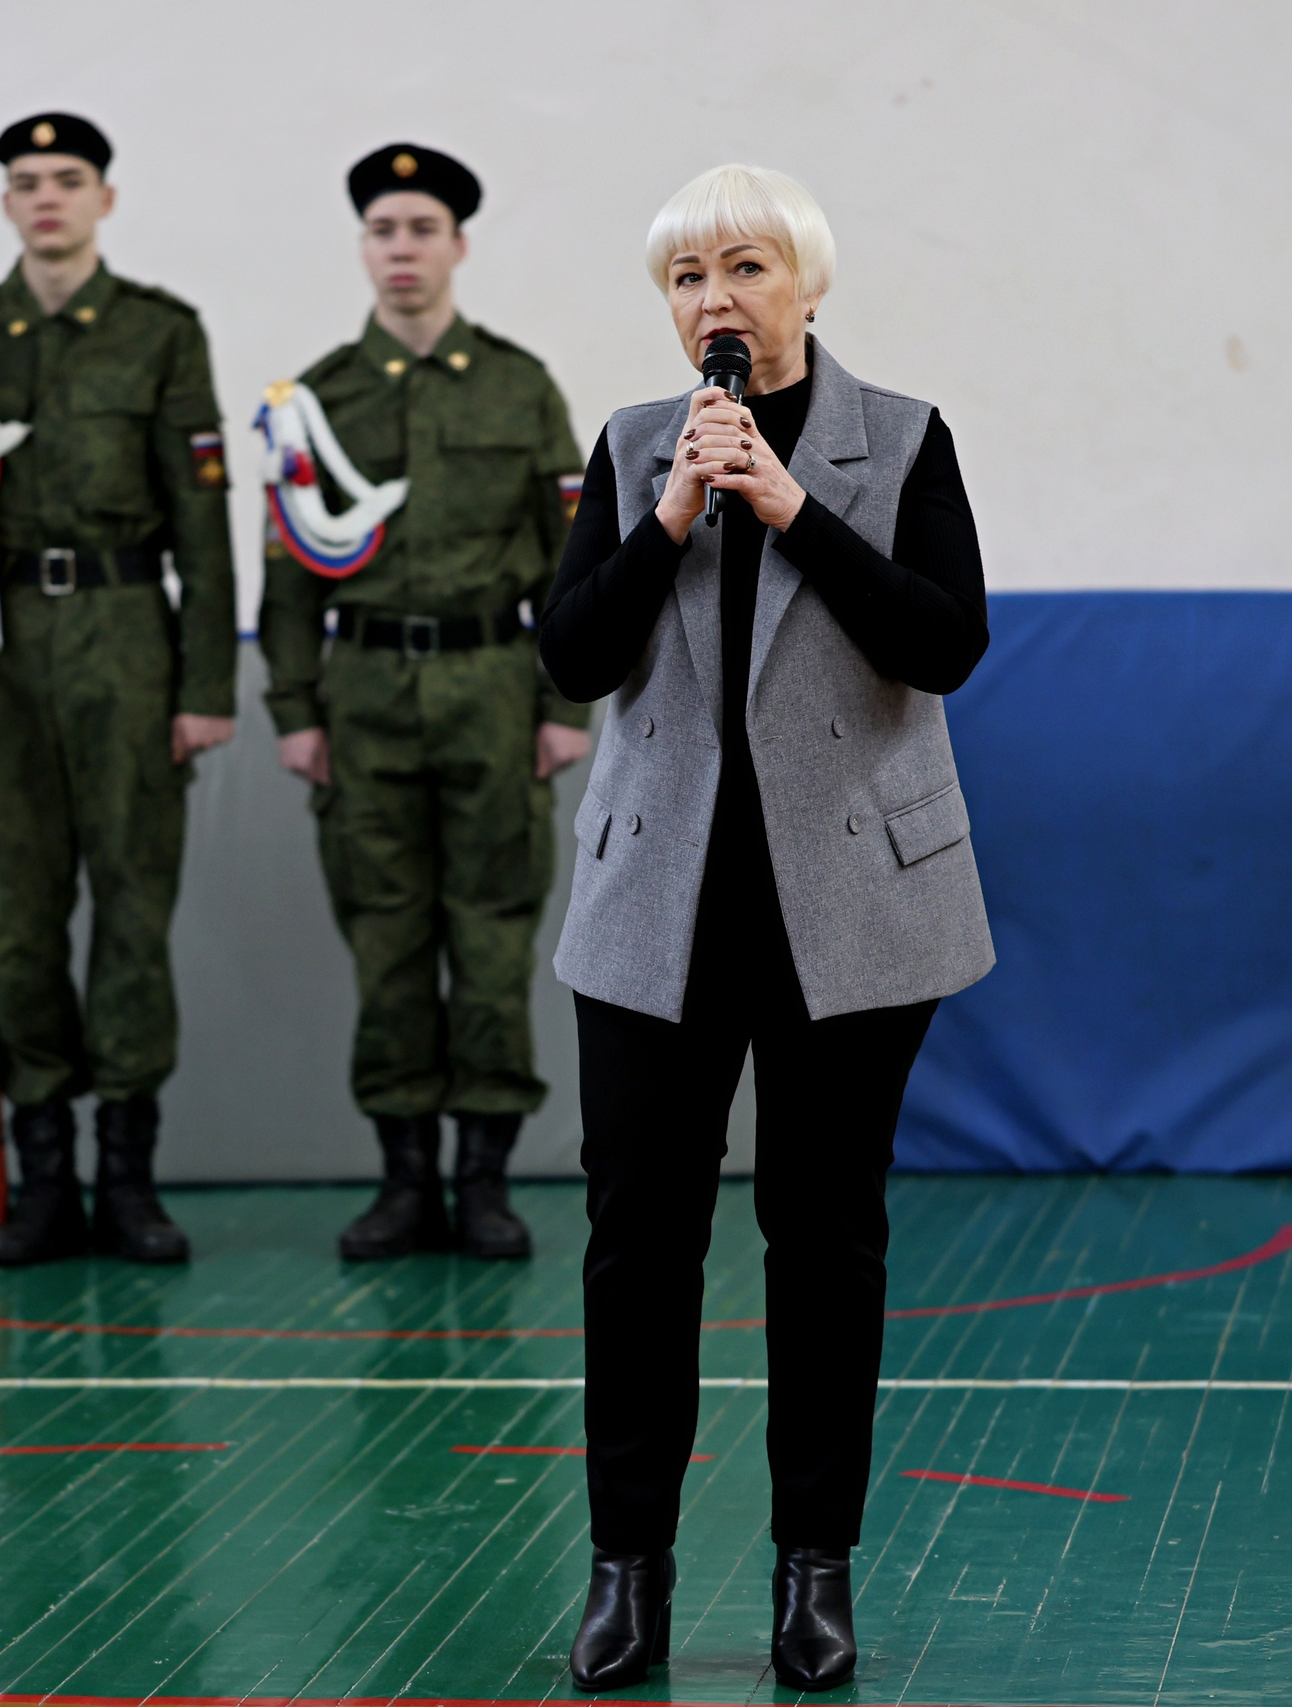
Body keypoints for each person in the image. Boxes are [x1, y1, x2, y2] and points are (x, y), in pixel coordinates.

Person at [538, 165, 994, 1693]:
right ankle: (628, 1569)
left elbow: (945, 642)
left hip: (847, 901)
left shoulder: (903, 439)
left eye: (742, 268)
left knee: (825, 1235)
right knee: (637, 1239)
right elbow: (572, 655)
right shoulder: (632, 447)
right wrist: (669, 516)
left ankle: (816, 1566)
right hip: (657, 905)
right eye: (686, 278)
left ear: (805, 282)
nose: (713, 302)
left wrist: (793, 510)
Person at [257, 143, 592, 1263]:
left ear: (458, 247)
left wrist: (566, 706)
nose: (401, 250)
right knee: (386, 940)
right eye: (383, 231)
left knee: (493, 937)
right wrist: (294, 711)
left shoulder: (518, 384)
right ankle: (404, 1181)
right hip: (361, 698)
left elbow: (569, 560)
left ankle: (483, 1182)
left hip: (492, 689)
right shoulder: (315, 400)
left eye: (421, 230)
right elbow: (288, 577)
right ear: (363, 248)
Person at [0, 113, 238, 1267]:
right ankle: (43, 1179)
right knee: (22, 923)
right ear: (5, 204)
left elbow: (201, 517)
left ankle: (126, 1177)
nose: (47, 197)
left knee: (131, 912)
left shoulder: (159, 331)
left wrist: (205, 682)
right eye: (26, 181)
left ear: (104, 200)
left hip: (127, 634)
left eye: (67, 179)